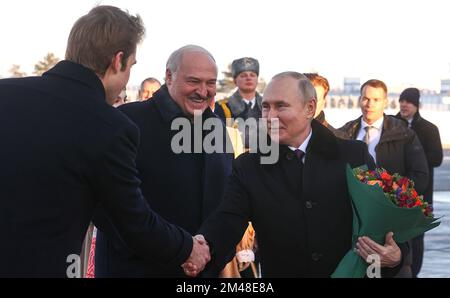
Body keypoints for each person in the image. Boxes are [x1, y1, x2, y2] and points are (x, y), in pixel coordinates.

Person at [0, 6, 209, 277]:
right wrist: (188, 248)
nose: (127, 81)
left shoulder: (5, 94)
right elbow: (134, 221)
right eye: (131, 67)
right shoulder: (110, 127)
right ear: (118, 61)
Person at [193, 72, 407, 277]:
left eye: (281, 106)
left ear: (310, 108)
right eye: (266, 107)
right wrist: (201, 247)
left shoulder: (353, 156)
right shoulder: (249, 166)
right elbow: (227, 220)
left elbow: (383, 220)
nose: (270, 117)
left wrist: (397, 254)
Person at [94, 45, 234, 277]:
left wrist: (211, 250)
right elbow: (106, 206)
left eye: (211, 83)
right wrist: (179, 251)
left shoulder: (216, 127)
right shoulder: (127, 121)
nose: (203, 91)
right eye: (193, 81)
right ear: (169, 76)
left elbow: (229, 197)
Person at [338, 79, 429, 277]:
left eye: (376, 99)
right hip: (352, 225)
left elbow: (420, 176)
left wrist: (390, 194)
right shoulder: (344, 133)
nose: (369, 104)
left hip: (391, 226)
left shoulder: (404, 133)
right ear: (359, 100)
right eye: (365, 98)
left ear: (385, 102)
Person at [397, 87, 443, 277]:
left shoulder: (429, 129)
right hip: (395, 192)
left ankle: (413, 273)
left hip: (421, 193)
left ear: (417, 105)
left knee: (416, 238)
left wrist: (415, 156)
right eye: (402, 101)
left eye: (409, 102)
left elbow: (437, 158)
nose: (404, 105)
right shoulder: (391, 124)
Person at [215, 57, 262, 149]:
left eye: (252, 75)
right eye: (243, 75)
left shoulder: (268, 105)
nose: (248, 78)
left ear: (257, 79)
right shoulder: (224, 107)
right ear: (235, 80)